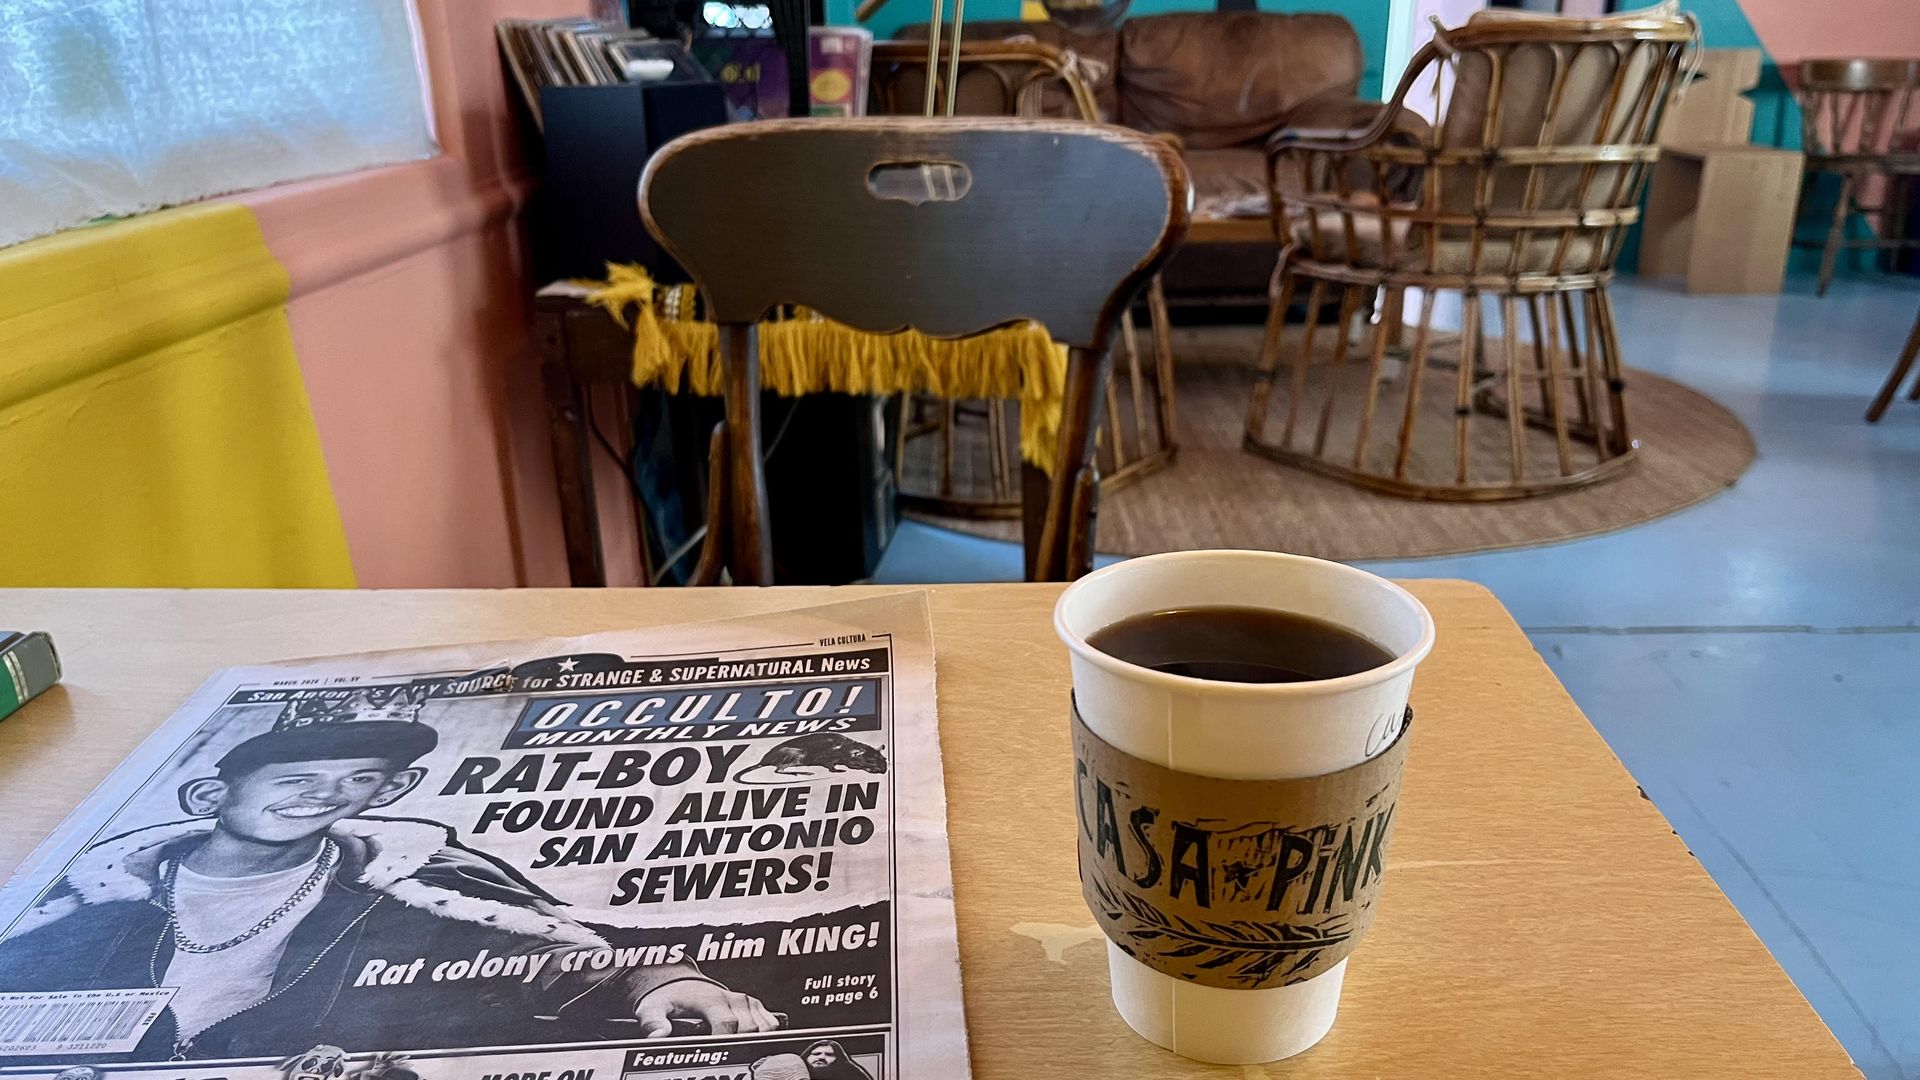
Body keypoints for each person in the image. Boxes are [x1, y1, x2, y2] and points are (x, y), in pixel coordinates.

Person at [0, 691, 778, 1064]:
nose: (324, 794)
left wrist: (659, 983)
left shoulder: (414, 877)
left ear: (386, 794)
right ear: (211, 796)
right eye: (295, 774)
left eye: (358, 780)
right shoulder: (81, 903)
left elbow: (553, 940)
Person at [802, 1039, 875, 1080]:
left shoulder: (854, 1076)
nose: (822, 1057)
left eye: (829, 1054)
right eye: (816, 1054)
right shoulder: (793, 1072)